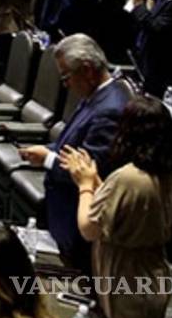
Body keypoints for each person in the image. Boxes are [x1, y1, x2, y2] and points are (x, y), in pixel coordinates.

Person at [61, 95, 172, 318]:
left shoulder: (128, 176)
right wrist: (94, 179)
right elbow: (120, 208)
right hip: (150, 276)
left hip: (126, 283)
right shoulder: (168, 174)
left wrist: (84, 185)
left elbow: (88, 228)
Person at [16, 34, 129, 272]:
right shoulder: (96, 96)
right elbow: (72, 147)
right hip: (62, 213)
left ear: (87, 70)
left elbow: (90, 172)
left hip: (77, 221)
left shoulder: (109, 111)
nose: (65, 84)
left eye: (66, 76)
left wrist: (48, 159)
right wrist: (47, 151)